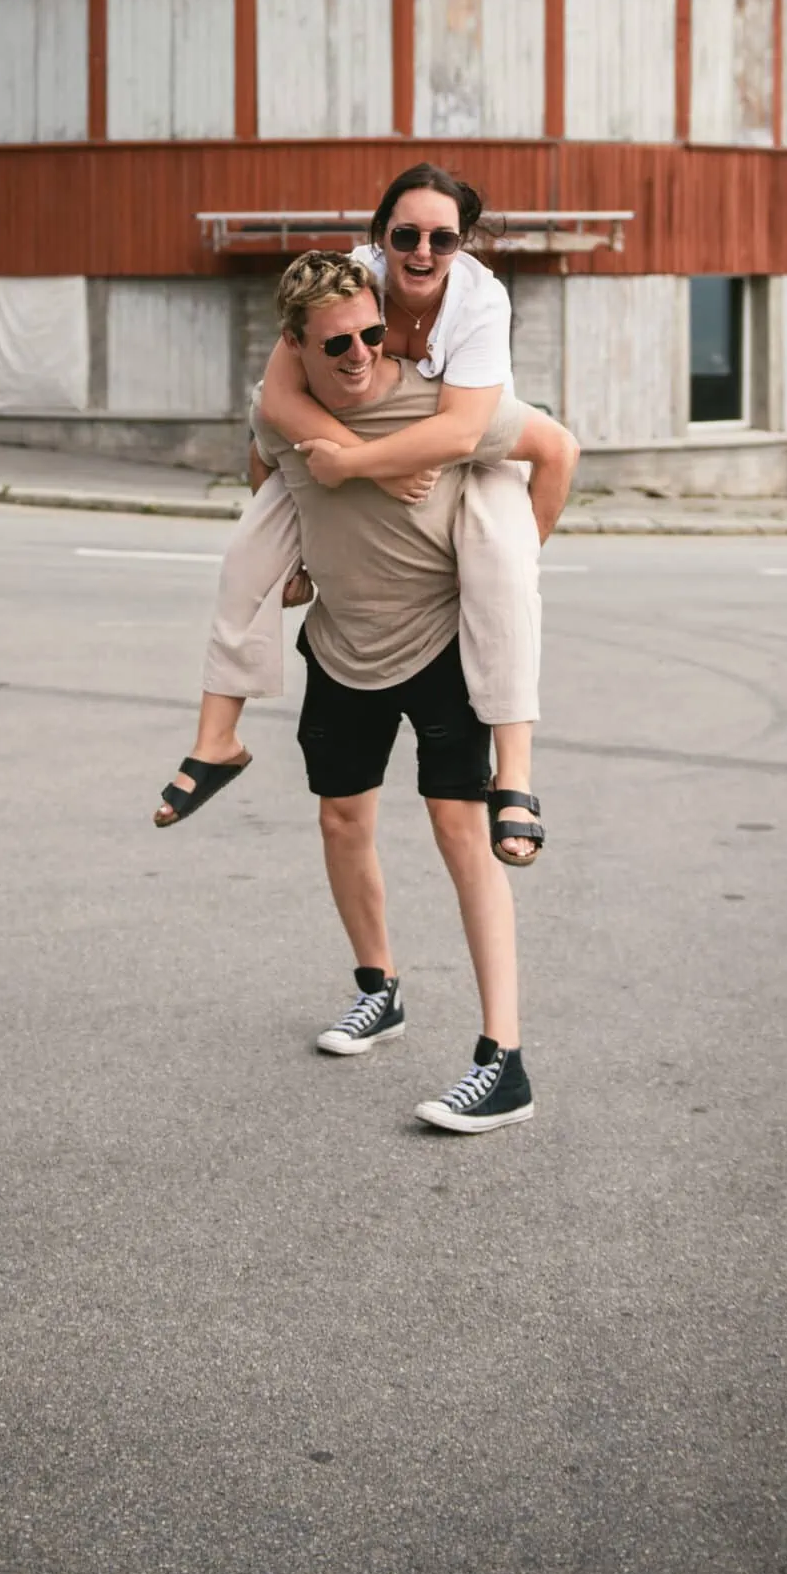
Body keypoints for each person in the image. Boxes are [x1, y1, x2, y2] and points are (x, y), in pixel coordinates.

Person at [213, 250, 573, 1132]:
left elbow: (556, 450)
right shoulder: (288, 408)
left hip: (442, 647)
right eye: (337, 344)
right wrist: (295, 554)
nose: (361, 354)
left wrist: (517, 564)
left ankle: (504, 1061)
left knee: (461, 832)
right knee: (342, 820)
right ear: (298, 346)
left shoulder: (443, 404)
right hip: (343, 644)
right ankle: (379, 990)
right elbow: (263, 461)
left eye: (372, 334)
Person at [156, 165, 576, 864]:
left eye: (442, 239)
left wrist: (355, 467)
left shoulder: (481, 300)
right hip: (360, 433)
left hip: (465, 433)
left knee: (503, 574)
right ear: (380, 236)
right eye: (405, 235)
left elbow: (462, 433)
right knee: (248, 551)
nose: (423, 252)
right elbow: (276, 399)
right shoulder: (354, 278)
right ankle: (216, 738)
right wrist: (352, 469)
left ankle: (515, 777)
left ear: (462, 242)